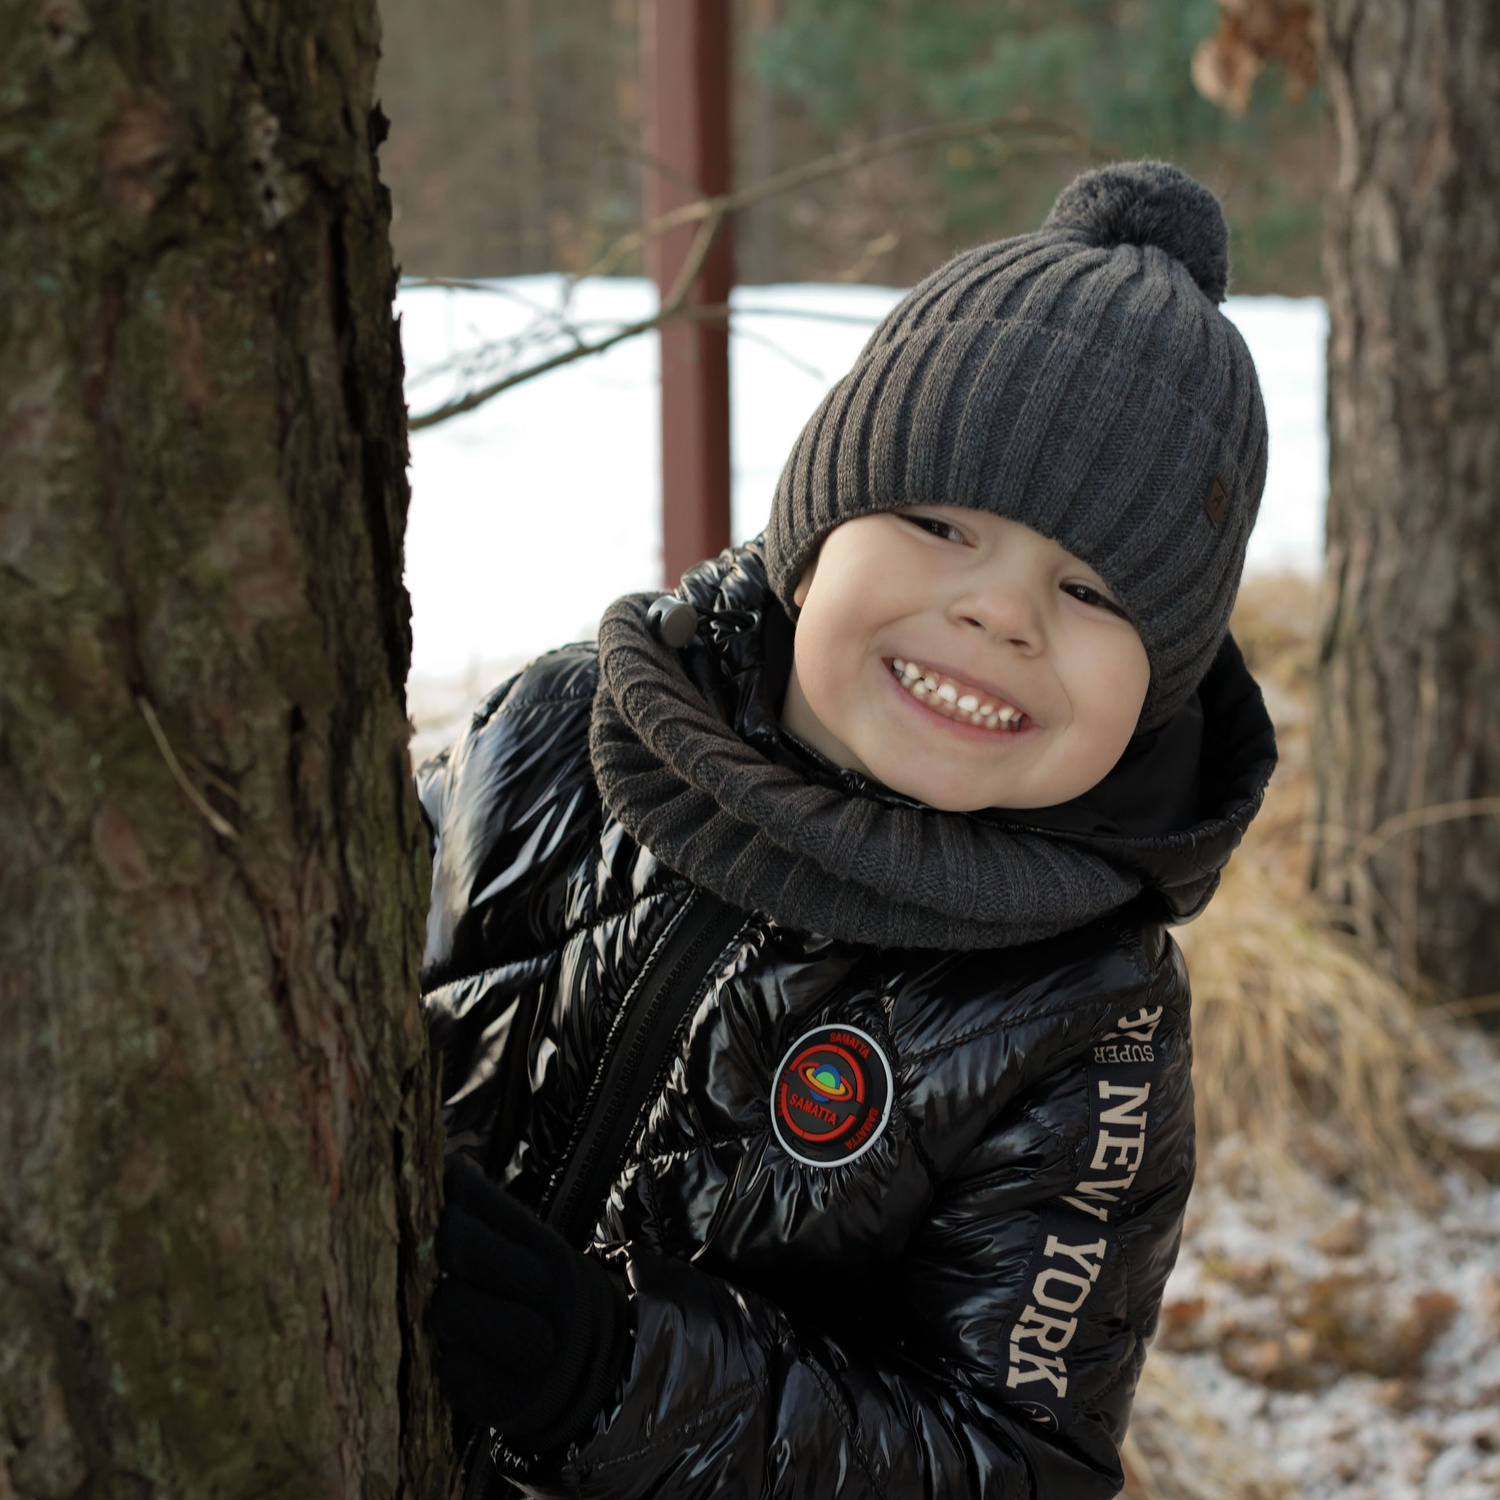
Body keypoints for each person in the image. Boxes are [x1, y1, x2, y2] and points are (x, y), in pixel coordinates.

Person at [417, 159, 1277, 1499]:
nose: (1000, 613)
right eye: (940, 523)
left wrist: (611, 1378)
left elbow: (1012, 1460)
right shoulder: (549, 734)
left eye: (1091, 592)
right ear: (815, 535)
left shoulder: (1082, 1013)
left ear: (1157, 693)